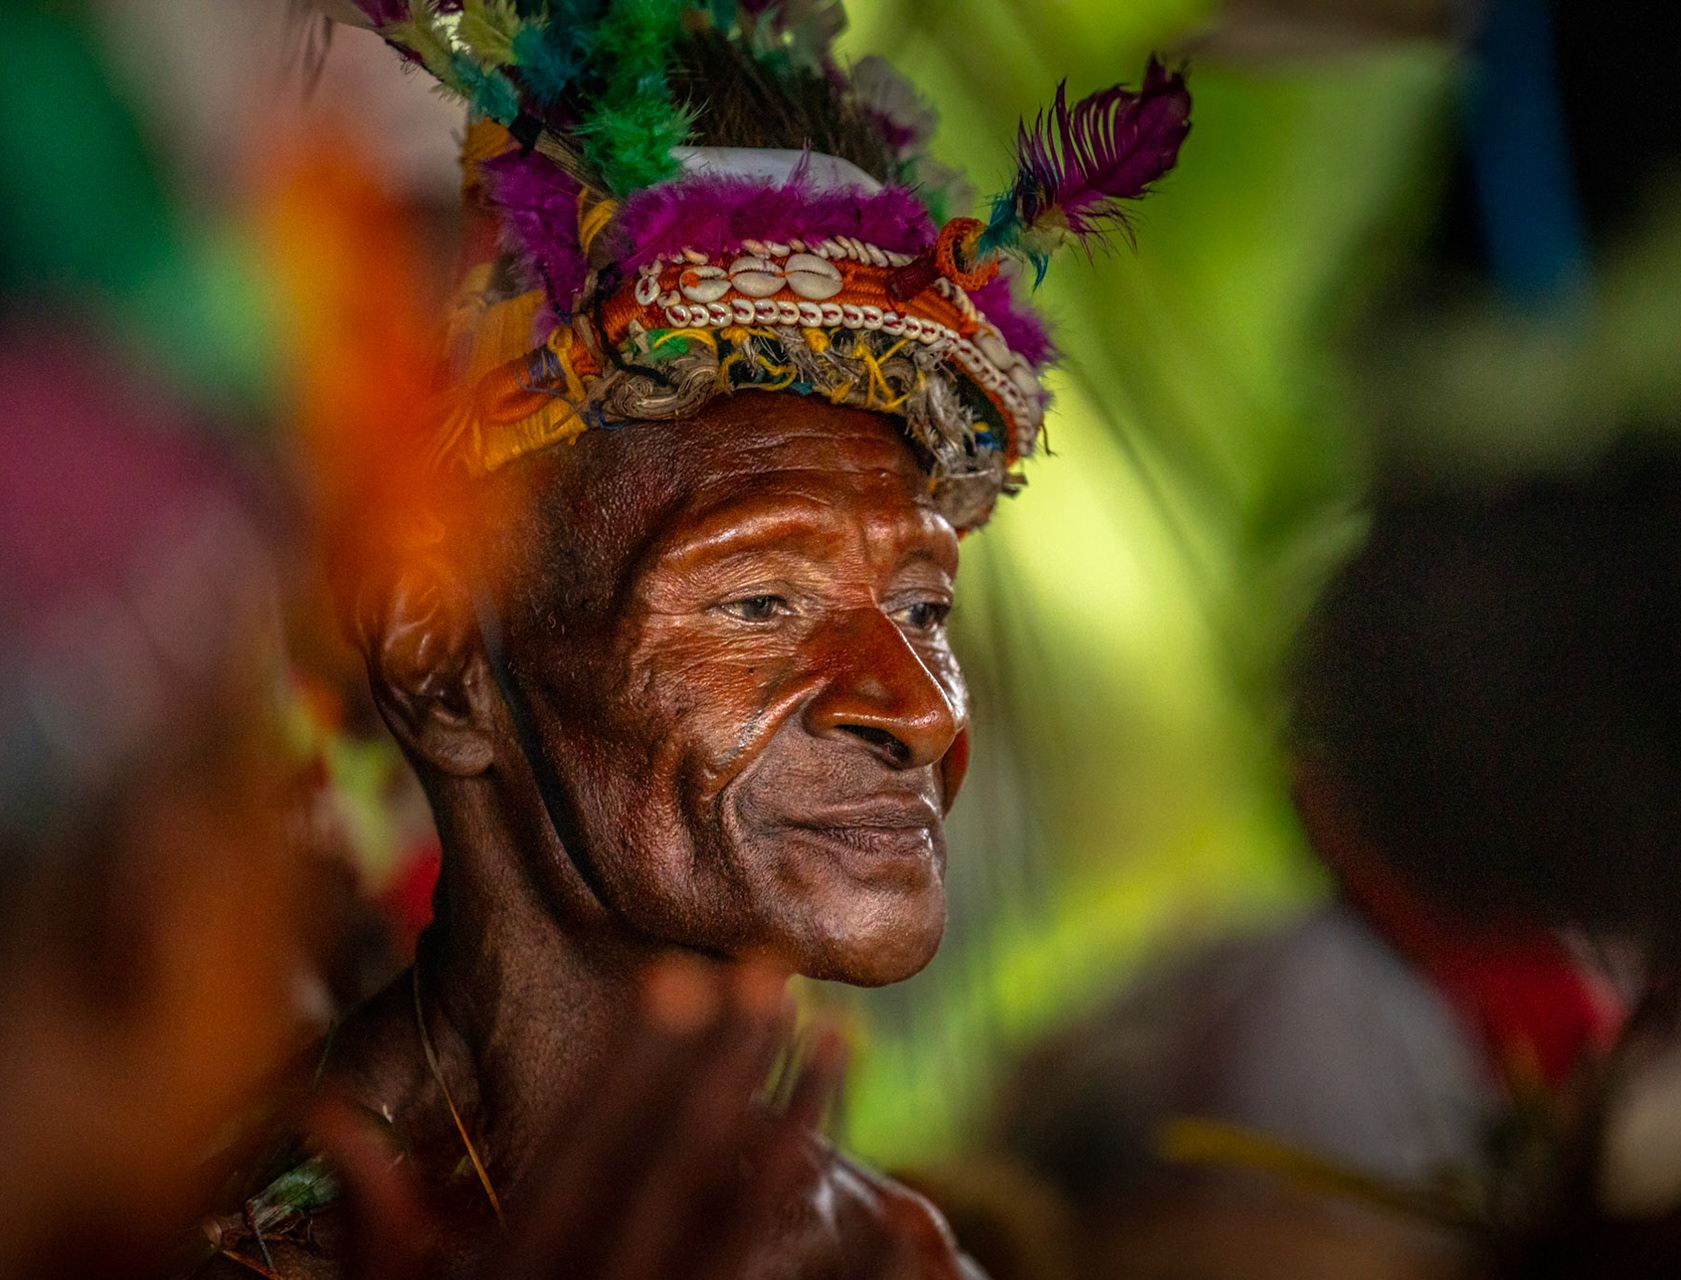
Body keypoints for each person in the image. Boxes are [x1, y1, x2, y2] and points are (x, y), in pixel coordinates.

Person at [197, 4, 1192, 1276]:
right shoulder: (196, 1239)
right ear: (441, 663)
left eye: (924, 608)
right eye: (760, 602)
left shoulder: (895, 1258)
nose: (920, 707)